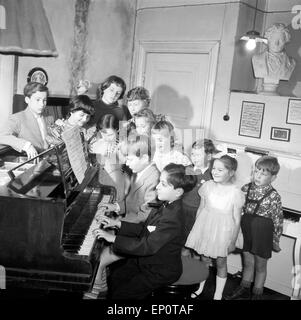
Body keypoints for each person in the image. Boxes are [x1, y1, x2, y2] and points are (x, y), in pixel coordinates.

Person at [93, 163, 197, 300]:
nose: (157, 187)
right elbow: (146, 229)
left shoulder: (173, 219)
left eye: (164, 184)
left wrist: (113, 239)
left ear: (178, 192)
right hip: (147, 260)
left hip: (160, 269)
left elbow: (147, 246)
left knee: (123, 295)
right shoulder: (165, 204)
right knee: (116, 276)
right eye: (159, 181)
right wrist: (118, 224)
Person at [83, 135, 160, 299]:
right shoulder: (140, 172)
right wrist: (116, 206)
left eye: (130, 159)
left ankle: (94, 294)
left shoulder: (153, 178)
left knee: (97, 259)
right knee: (98, 247)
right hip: (131, 226)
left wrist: (117, 223)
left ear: (145, 157)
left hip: (141, 236)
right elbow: (133, 202)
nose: (126, 163)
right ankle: (102, 288)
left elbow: (145, 216)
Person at [185, 155, 245, 300]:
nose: (215, 172)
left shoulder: (235, 193)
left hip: (223, 232)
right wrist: (196, 231)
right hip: (205, 226)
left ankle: (218, 294)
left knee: (221, 262)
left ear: (231, 173)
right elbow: (201, 208)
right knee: (204, 260)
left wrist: (232, 241)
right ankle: (200, 287)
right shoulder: (207, 186)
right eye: (214, 169)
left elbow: (237, 220)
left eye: (220, 170)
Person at [225, 156, 283, 300]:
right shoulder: (246, 188)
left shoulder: (274, 196)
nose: (258, 176)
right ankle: (243, 288)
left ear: (273, 177)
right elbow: (237, 209)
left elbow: (278, 219)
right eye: (257, 171)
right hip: (246, 229)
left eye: (263, 174)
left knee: (260, 266)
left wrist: (275, 239)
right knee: (248, 262)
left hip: (263, 232)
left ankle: (257, 294)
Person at [0, 82, 53, 159]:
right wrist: (26, 145)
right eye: (37, 100)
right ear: (27, 100)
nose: (42, 104)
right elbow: (2, 136)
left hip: (49, 161)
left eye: (44, 100)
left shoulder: (49, 118)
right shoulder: (17, 118)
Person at [182, 139, 220, 242]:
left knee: (197, 241)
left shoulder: (213, 174)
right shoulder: (186, 170)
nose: (194, 157)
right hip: (183, 209)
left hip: (200, 213)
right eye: (193, 154)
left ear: (209, 156)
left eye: (198, 155)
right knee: (183, 240)